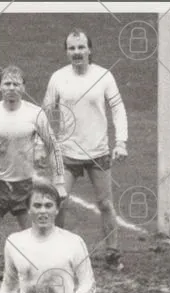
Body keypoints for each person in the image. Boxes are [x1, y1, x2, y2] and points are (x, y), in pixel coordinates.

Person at [0, 65, 66, 273]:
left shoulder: (35, 114)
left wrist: (59, 181)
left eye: (16, 84)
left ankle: (41, 278)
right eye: (7, 83)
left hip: (26, 188)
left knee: (38, 240)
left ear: (23, 88)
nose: (11, 88)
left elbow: (53, 147)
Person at [43, 28, 128, 271]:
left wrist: (121, 142)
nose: (77, 52)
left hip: (98, 152)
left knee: (105, 204)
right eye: (72, 48)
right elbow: (46, 113)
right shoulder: (58, 78)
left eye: (81, 47)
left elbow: (118, 109)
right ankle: (56, 252)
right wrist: (41, 144)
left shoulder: (104, 76)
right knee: (59, 200)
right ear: (66, 52)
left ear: (89, 50)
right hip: (67, 152)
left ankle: (112, 253)